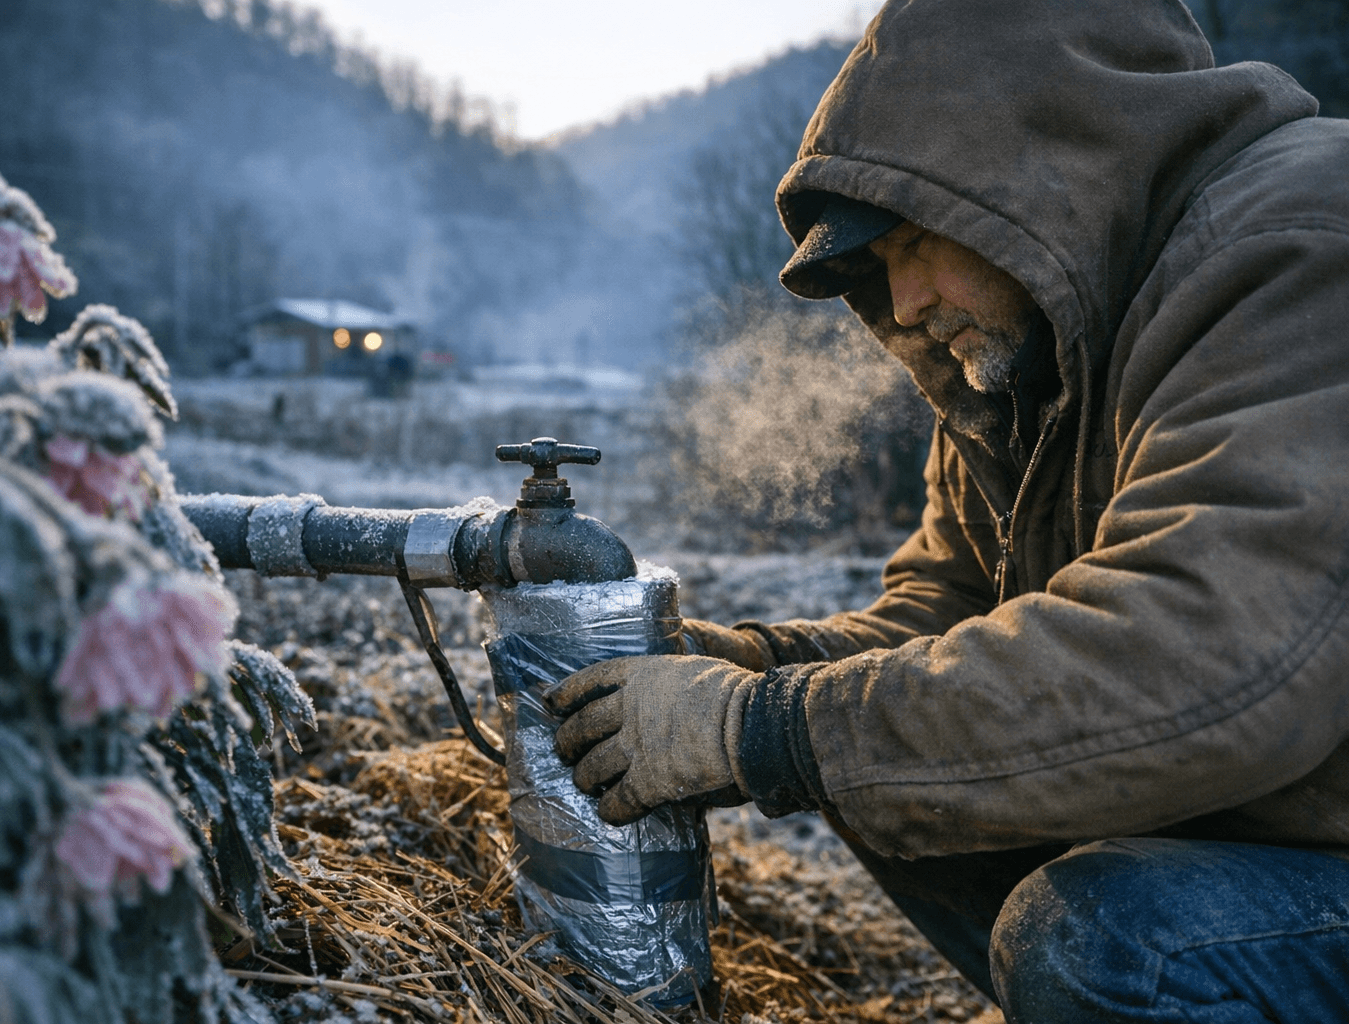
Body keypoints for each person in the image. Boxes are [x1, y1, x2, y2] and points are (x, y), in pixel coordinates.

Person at [546, 0, 1349, 1019]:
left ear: (1043, 175)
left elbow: (1216, 655)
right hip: (1279, 839)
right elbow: (946, 625)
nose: (908, 302)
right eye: (881, 268)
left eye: (918, 241)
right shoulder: (1028, 356)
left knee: (1107, 937)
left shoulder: (1300, 241)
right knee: (883, 767)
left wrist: (756, 728)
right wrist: (743, 668)